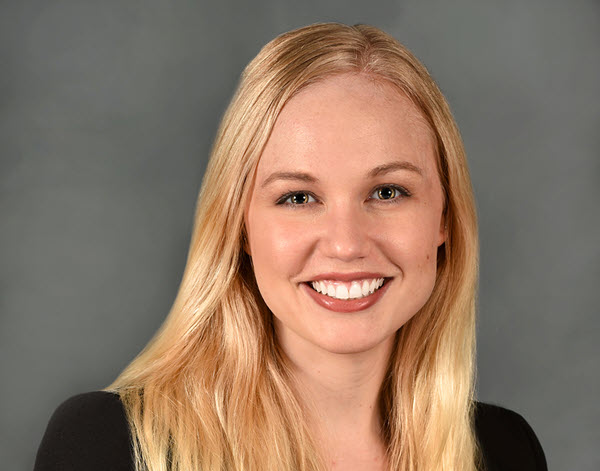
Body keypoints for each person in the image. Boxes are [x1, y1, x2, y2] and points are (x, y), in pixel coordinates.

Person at [34, 23, 547, 471]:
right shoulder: (111, 447)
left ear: (445, 218)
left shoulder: (504, 451)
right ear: (240, 228)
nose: (346, 244)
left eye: (388, 192)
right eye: (298, 197)